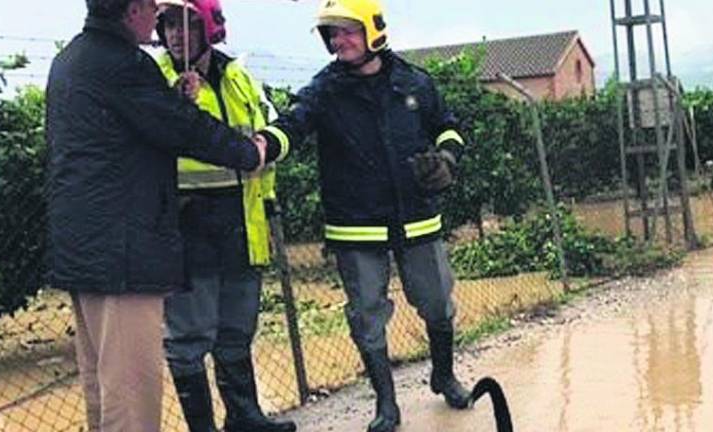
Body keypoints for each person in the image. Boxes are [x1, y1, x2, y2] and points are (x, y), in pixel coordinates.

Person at [45, 0, 266, 430]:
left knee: (103, 386)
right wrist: (248, 152)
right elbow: (182, 128)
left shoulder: (74, 58)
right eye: (155, 11)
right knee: (132, 393)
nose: (161, 23)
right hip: (122, 254)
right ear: (134, 10)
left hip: (86, 248)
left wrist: (170, 99)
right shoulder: (124, 64)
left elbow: (130, 128)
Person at [255, 0, 471, 431]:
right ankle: (386, 405)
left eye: (347, 31)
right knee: (366, 316)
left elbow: (448, 125)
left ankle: (444, 375)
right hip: (356, 224)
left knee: (436, 304)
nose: (339, 41)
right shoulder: (324, 90)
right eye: (332, 34)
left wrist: (447, 156)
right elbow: (293, 125)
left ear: (373, 31)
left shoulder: (415, 82)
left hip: (417, 218)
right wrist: (262, 145)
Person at [153, 1, 295, 431]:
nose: (175, 34)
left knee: (237, 327)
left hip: (240, 223)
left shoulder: (240, 78)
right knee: (189, 337)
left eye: (187, 25)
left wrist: (267, 202)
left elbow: (270, 140)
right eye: (167, 26)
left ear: (210, 27)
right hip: (185, 226)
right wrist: (176, 104)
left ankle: (244, 416)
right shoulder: (154, 79)